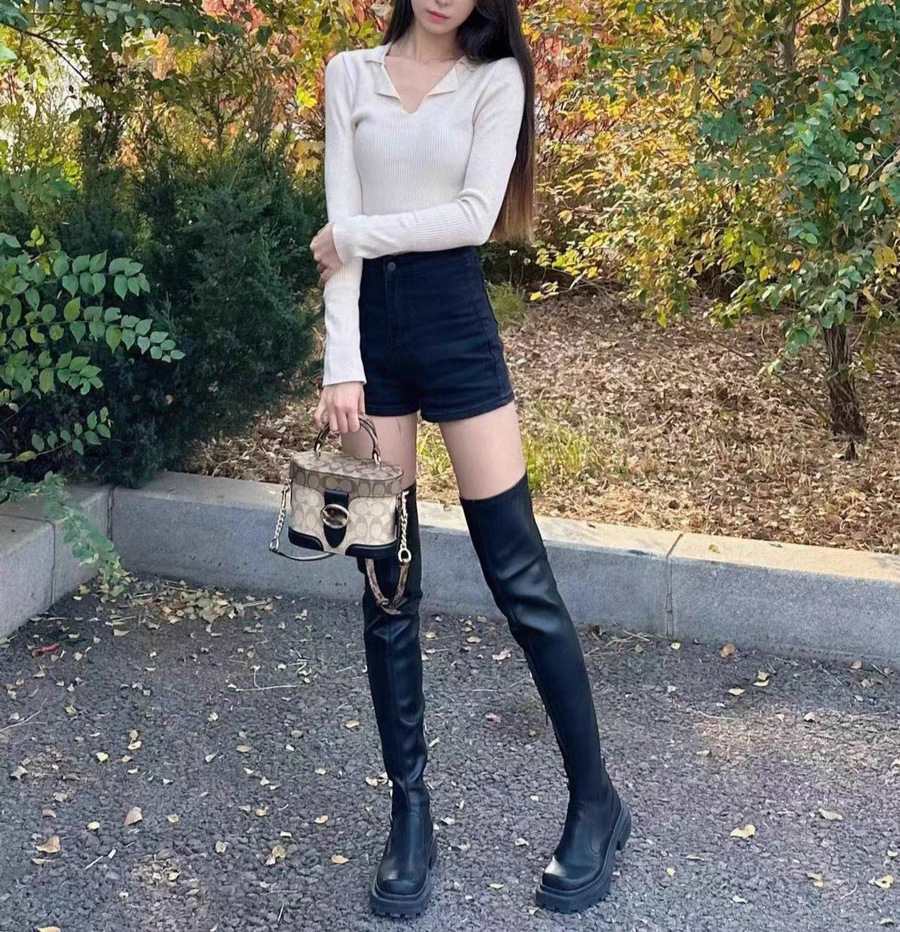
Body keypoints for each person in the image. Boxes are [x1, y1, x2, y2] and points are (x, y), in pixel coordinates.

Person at [309, 0, 631, 918]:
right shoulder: (349, 73)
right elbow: (338, 219)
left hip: (453, 325)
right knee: (384, 582)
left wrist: (356, 236)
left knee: (519, 575)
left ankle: (596, 803)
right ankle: (409, 813)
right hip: (370, 344)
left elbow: (471, 217)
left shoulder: (496, 80)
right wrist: (341, 364)